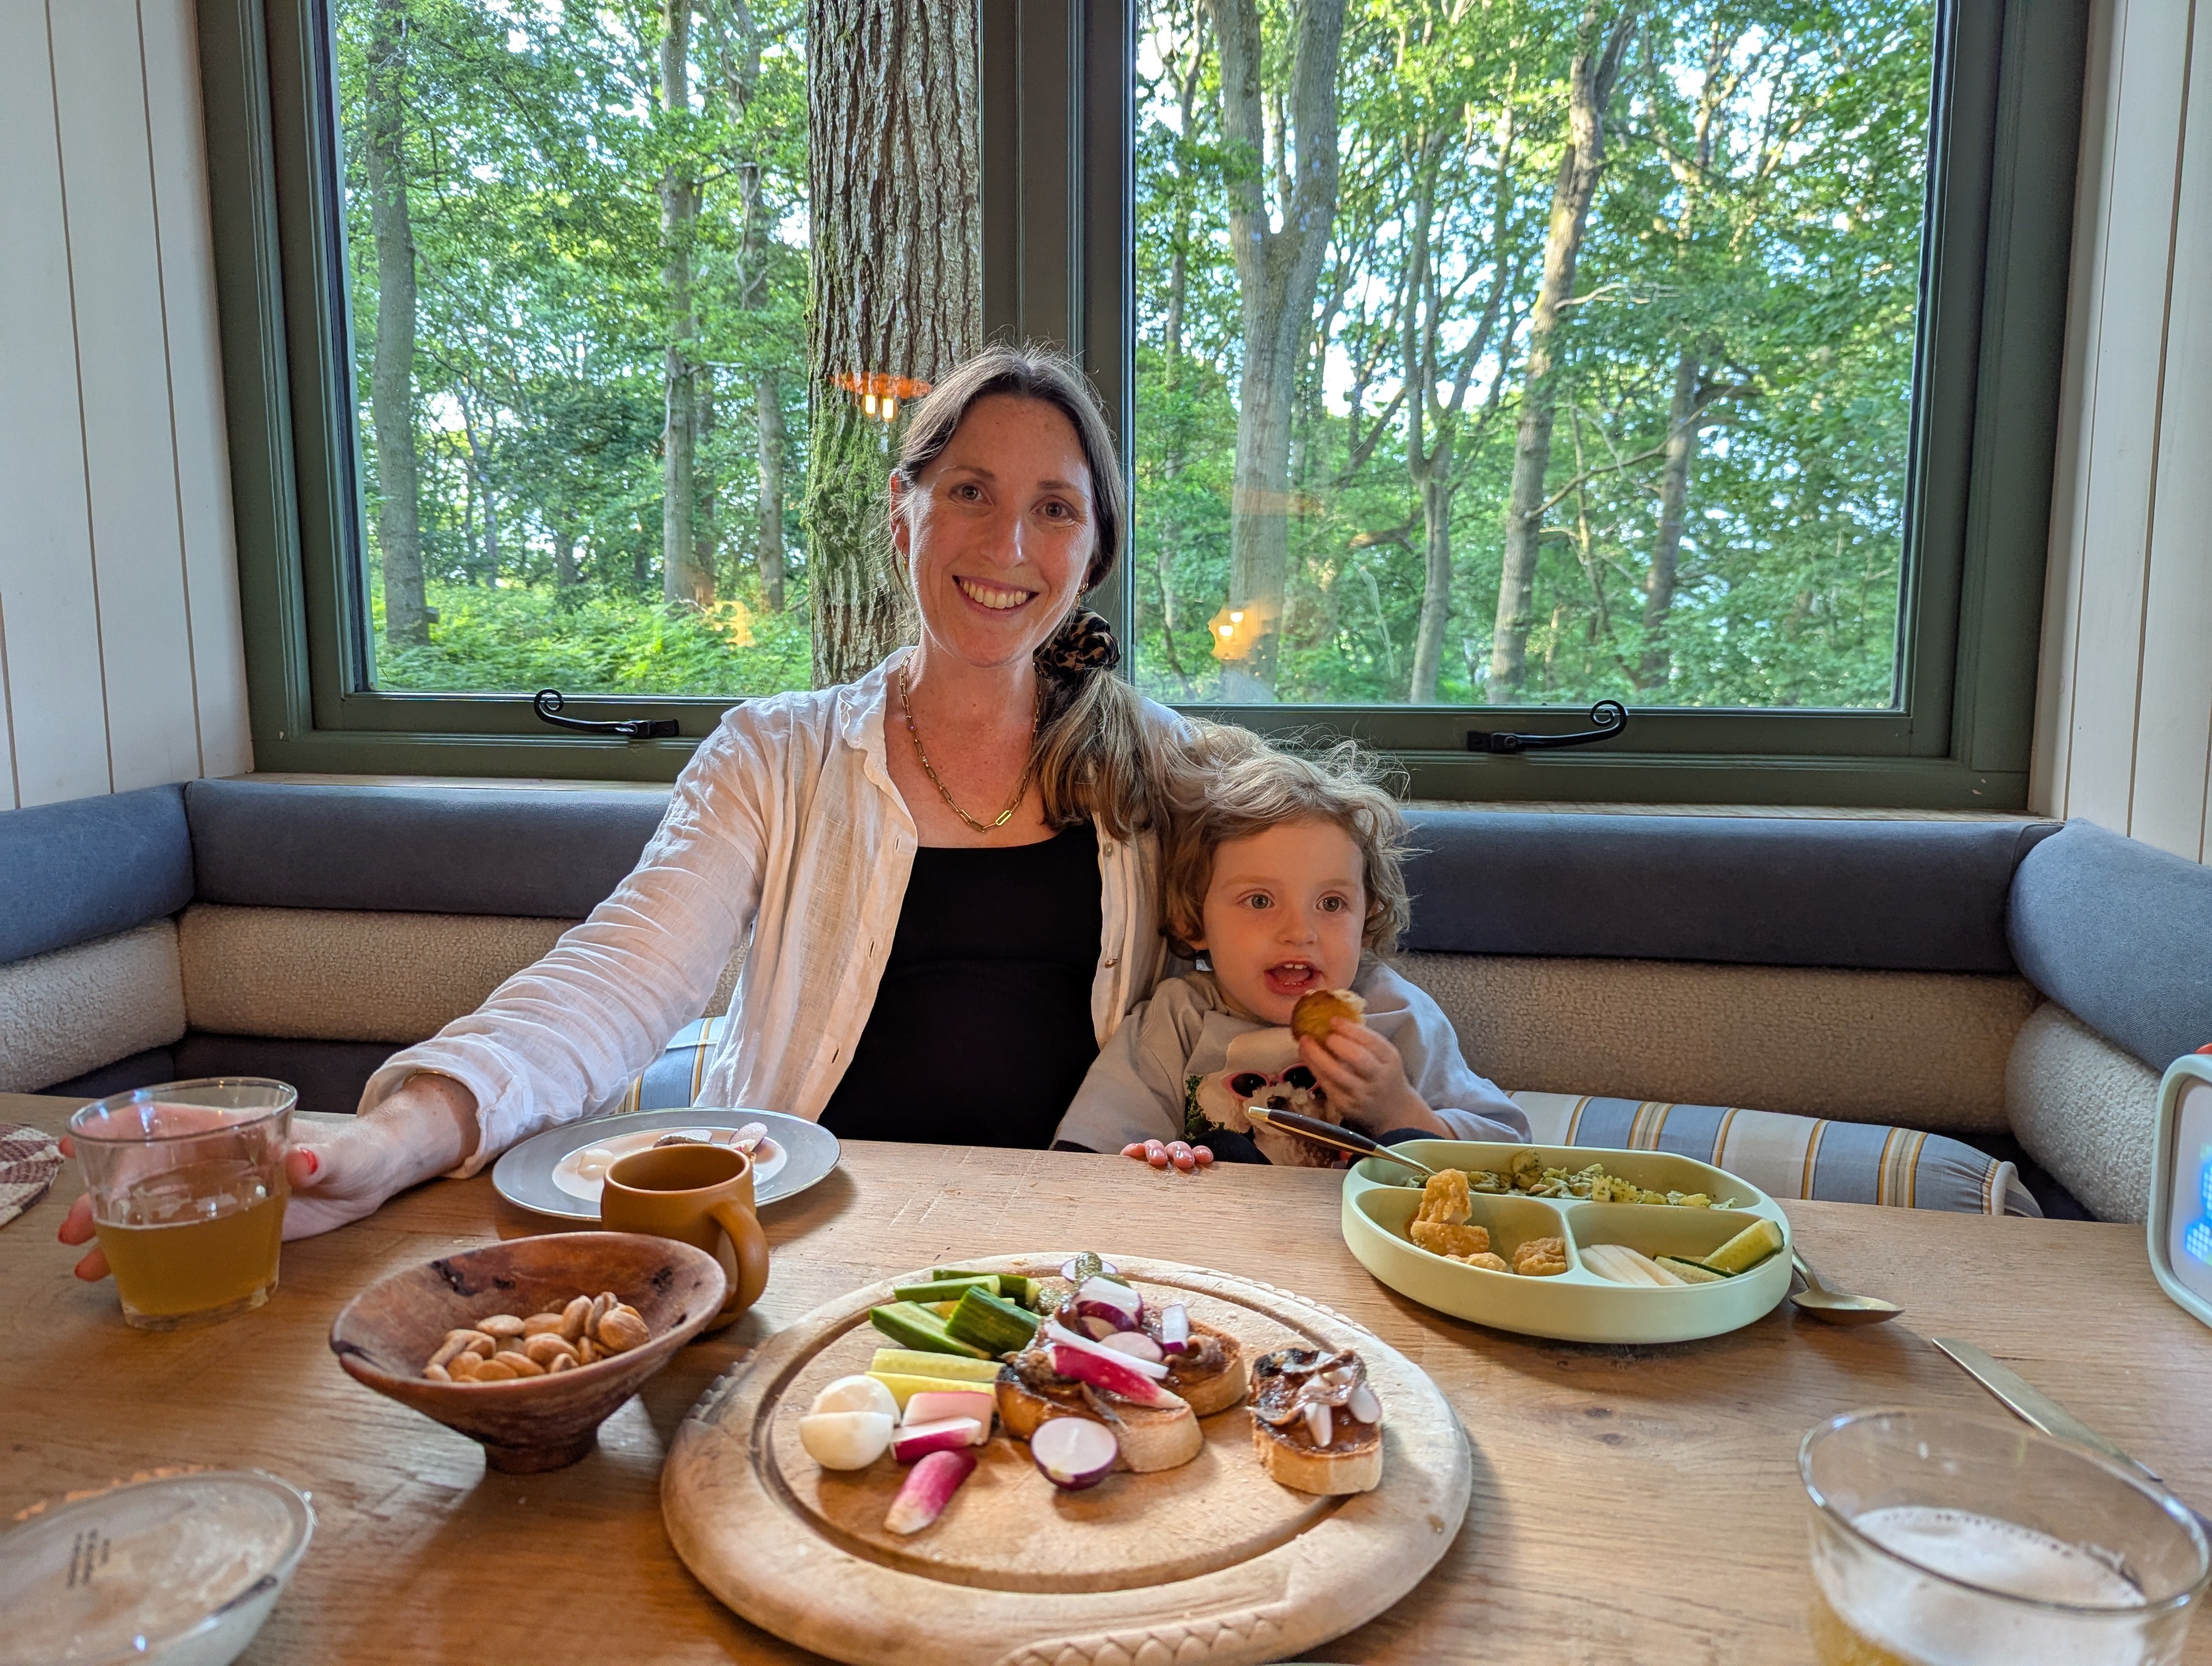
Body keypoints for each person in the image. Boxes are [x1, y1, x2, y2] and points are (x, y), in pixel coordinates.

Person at [59, 346, 1181, 1280]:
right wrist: (391, 1138)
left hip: (1079, 1253)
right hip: (802, 1246)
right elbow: (619, 978)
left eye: (1055, 509)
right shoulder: (777, 753)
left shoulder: (1162, 767)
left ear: (1091, 557)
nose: (1008, 546)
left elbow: (1315, 942)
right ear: (904, 515)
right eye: (971, 492)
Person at [1052, 726, 1528, 1168]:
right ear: (1194, 919)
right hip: (1223, 1243)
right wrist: (1153, 1156)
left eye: (1331, 902)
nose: (1299, 932)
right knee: (1221, 1152)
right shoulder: (1177, 1020)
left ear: (1369, 919)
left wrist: (1399, 1107)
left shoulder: (1397, 1016)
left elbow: (1512, 1151)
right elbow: (1088, 1155)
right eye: (1260, 901)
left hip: (1361, 1241)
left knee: (1402, 1151)